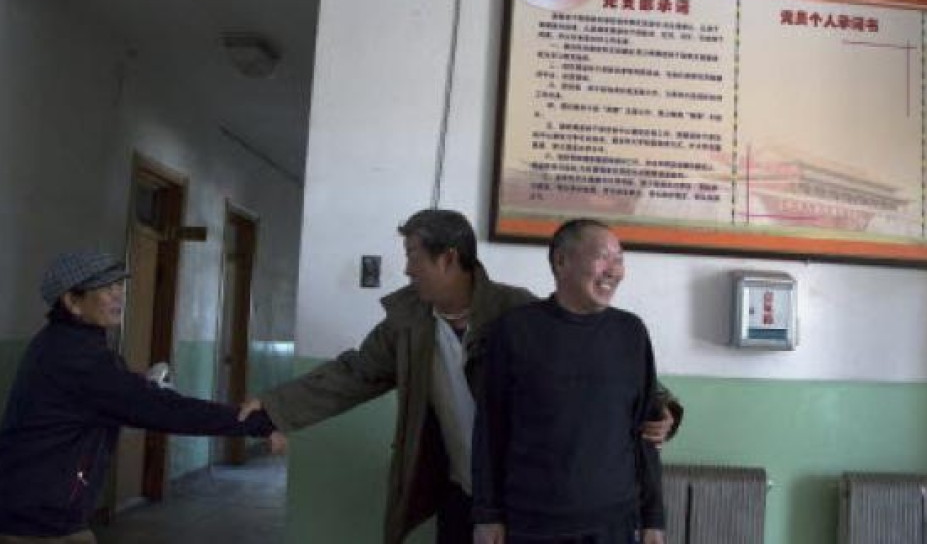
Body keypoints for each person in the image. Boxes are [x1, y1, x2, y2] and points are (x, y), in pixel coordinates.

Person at [240, 209, 682, 544]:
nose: (408, 269)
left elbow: (605, 369)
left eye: (413, 255)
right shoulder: (409, 321)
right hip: (458, 487)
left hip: (520, 497)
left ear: (448, 258)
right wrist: (276, 406)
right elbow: (355, 372)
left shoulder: (515, 312)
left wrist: (663, 411)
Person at [0, 250, 277, 544]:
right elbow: (166, 410)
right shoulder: (78, 357)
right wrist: (259, 422)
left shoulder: (66, 343)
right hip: (39, 513)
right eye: (106, 288)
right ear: (72, 302)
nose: (118, 294)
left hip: (43, 505)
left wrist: (138, 387)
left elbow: (110, 395)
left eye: (119, 285)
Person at [472, 219, 667, 544]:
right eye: (603, 257)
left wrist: (653, 519)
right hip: (531, 522)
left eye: (619, 259)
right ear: (562, 261)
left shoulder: (631, 332)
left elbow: (645, 433)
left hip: (614, 522)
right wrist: (487, 514)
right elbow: (490, 430)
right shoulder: (516, 330)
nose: (614, 270)